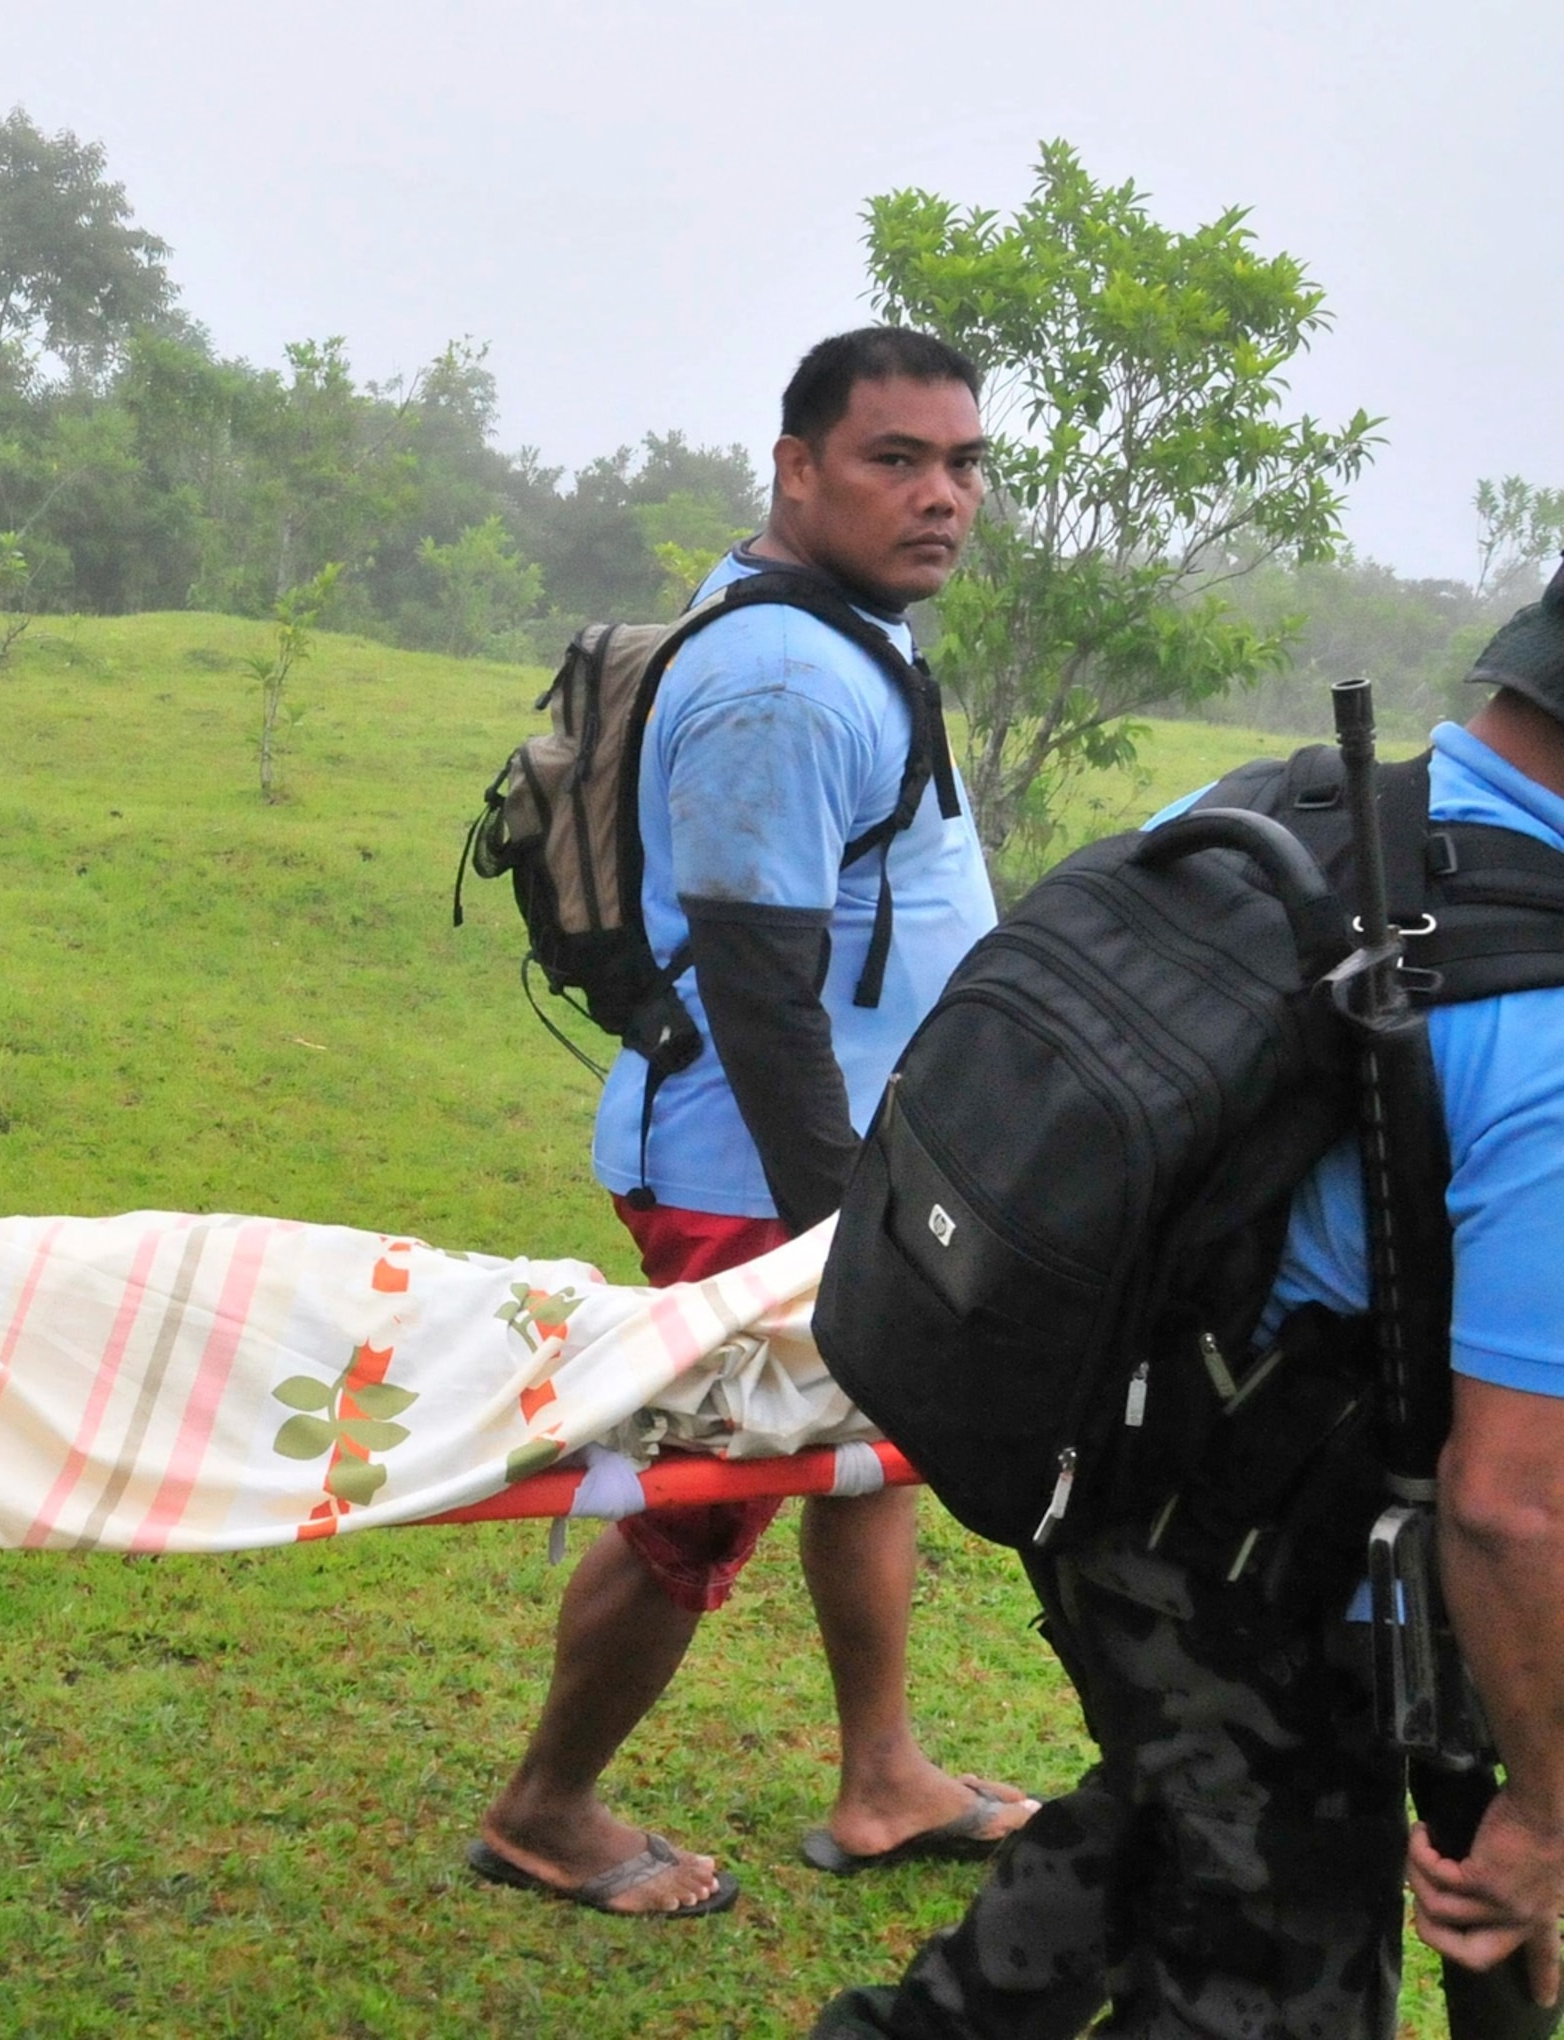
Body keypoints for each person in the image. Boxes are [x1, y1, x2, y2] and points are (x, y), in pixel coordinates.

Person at [815, 565, 1564, 2037]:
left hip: (1096, 1466)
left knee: (1177, 1800)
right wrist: (1544, 1810)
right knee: (1276, 1962)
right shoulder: (1540, 1022)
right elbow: (1513, 1506)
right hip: (1257, 1557)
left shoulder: (1282, 812)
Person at [468, 328, 1034, 1917]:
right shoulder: (783, 680)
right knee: (701, 1496)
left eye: (963, 462)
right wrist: (839, 1238)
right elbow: (764, 994)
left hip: (841, 1151)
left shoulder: (851, 627)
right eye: (895, 460)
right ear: (797, 470)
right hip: (750, 1169)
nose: (942, 497)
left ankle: (884, 1778)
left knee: (870, 1450)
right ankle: (543, 1809)